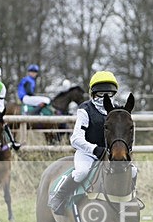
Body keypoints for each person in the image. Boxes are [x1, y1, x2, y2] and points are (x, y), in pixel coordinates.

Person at [48, 70, 121, 214]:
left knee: (131, 171)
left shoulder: (118, 110)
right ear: (93, 93)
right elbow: (75, 139)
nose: (105, 97)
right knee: (82, 172)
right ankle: (60, 197)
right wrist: (94, 149)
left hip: (110, 154)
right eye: (101, 93)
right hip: (87, 153)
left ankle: (129, 200)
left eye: (109, 93)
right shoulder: (85, 110)